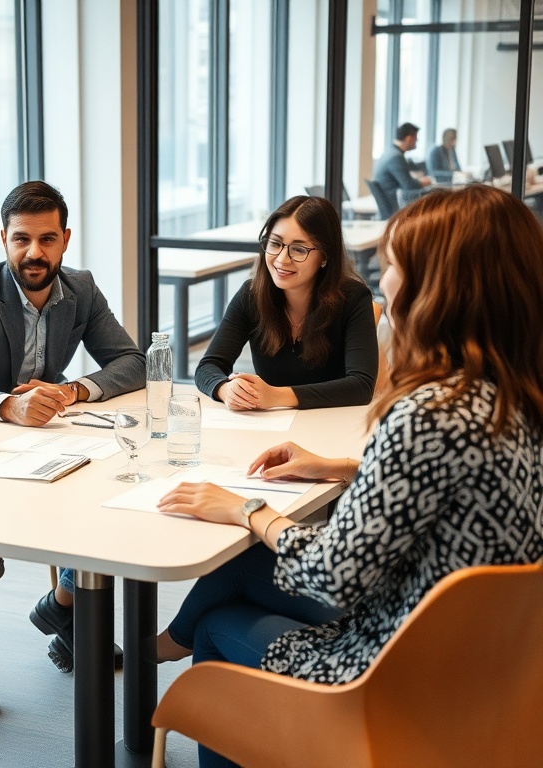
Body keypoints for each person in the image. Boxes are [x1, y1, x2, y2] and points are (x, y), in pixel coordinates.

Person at [157, 184, 543, 767]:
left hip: (391, 674)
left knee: (219, 621)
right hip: (484, 660)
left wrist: (248, 511)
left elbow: (333, 577)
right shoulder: (512, 396)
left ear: (440, 287)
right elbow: (460, 478)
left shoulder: (428, 413)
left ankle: (180, 653)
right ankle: (160, 646)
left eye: (396, 265)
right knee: (246, 562)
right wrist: (341, 465)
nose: (385, 281)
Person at [0, 180, 146, 673]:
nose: (34, 251)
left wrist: (72, 391)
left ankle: (64, 605)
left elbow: (130, 360)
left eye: (47, 239)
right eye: (21, 238)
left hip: (50, 438)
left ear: (66, 240)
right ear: (3, 239)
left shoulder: (81, 288)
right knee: (92, 499)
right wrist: (9, 405)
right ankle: (65, 612)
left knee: (118, 486)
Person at [194, 195, 378, 411]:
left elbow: (361, 386)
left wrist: (276, 396)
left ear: (325, 257)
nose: (281, 259)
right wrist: (225, 389)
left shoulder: (354, 298)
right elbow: (208, 366)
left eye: (299, 249)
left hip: (331, 425)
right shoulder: (251, 295)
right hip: (272, 426)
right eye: (275, 243)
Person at [373, 122, 434, 212]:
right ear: (409, 139)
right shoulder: (396, 157)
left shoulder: (391, 151)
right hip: (395, 203)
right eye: (416, 139)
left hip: (391, 199)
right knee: (433, 196)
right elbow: (409, 185)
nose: (416, 142)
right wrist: (425, 182)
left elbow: (408, 174)